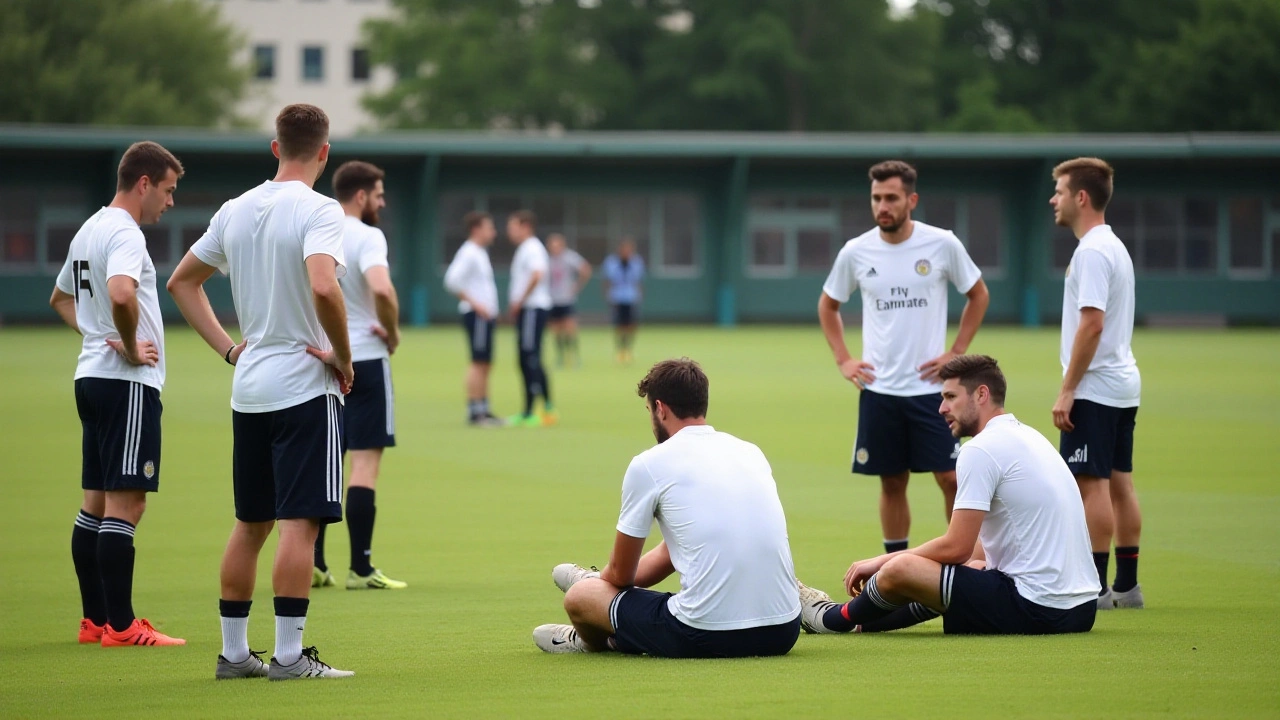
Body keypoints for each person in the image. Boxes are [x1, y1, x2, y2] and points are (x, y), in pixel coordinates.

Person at [167, 103, 354, 680]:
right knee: (300, 523)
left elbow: (182, 282)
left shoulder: (234, 209)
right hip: (304, 383)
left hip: (249, 388)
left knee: (251, 523)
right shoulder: (322, 209)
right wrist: (343, 357)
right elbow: (324, 283)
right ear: (324, 151)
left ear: (275, 147)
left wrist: (229, 348)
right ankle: (291, 657)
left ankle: (233, 653)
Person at [799, 355, 1099, 636]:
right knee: (968, 568)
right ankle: (862, 625)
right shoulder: (1030, 436)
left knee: (901, 569)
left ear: (981, 395)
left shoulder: (980, 449)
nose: (941, 408)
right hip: (1082, 611)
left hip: (1038, 608)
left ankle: (834, 619)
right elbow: (976, 552)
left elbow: (957, 547)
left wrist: (880, 561)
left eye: (950, 397)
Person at [534, 358, 801, 658]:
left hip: (705, 633)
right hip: (783, 630)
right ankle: (597, 589)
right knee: (605, 585)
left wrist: (599, 588)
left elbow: (621, 575)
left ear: (660, 408)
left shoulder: (649, 463)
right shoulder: (751, 452)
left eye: (649, 411)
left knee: (580, 597)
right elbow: (680, 547)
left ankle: (591, 638)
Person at [50, 141, 186, 648]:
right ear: (144, 183)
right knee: (127, 507)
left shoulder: (90, 227)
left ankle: (95, 621)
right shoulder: (126, 233)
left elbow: (60, 297)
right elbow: (123, 293)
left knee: (95, 505)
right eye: (168, 191)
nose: (170, 202)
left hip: (90, 378)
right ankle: (124, 627)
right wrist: (129, 347)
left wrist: (95, 335)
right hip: (126, 385)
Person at [818, 160, 990, 554]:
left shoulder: (942, 243)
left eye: (892, 197)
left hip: (933, 391)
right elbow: (828, 305)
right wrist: (844, 359)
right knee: (891, 481)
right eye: (877, 198)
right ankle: (895, 569)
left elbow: (978, 294)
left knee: (951, 478)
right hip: (880, 390)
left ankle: (965, 564)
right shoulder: (856, 251)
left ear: (911, 200)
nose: (883, 205)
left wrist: (957, 351)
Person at [1049, 157, 1145, 610]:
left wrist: (1068, 388)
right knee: (1120, 483)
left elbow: (1091, 325)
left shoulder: (1090, 251)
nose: (1054, 199)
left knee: (1091, 485)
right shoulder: (1114, 245)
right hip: (1124, 384)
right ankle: (1128, 586)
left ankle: (1096, 587)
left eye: (1060, 191)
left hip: (1097, 386)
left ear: (1080, 197)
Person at [311, 160, 407, 591]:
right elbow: (383, 289)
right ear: (362, 195)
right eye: (379, 194)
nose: (382, 201)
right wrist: (392, 330)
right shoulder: (368, 235)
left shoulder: (316, 229)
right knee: (364, 466)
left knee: (323, 462)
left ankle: (313, 562)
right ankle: (361, 569)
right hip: (365, 357)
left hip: (319, 358)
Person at [443, 211, 504, 426]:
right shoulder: (468, 252)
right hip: (477, 316)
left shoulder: (479, 252)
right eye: (490, 227)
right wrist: (476, 304)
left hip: (486, 317)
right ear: (476, 229)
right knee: (478, 362)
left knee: (486, 362)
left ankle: (484, 409)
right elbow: (451, 280)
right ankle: (475, 411)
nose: (493, 232)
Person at [506, 210, 555, 427]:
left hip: (533, 309)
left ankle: (536, 411)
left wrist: (520, 300)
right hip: (529, 310)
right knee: (529, 357)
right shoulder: (525, 248)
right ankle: (540, 409)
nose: (509, 231)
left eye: (513, 226)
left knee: (529, 357)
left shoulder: (532, 247)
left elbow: (537, 274)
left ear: (525, 226)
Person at [546, 234, 591, 368]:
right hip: (552, 300)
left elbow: (585, 269)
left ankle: (574, 356)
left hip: (566, 299)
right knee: (556, 331)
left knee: (570, 330)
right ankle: (560, 357)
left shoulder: (569, 257)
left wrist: (576, 286)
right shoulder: (546, 259)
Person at [601, 238, 645, 364]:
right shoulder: (611, 262)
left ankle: (628, 349)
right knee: (619, 325)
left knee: (631, 325)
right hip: (617, 297)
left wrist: (640, 295)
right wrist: (607, 295)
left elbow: (639, 281)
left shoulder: (636, 262)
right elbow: (607, 280)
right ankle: (620, 350)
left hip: (631, 297)